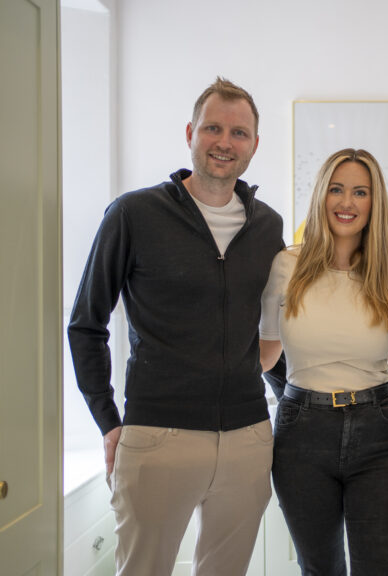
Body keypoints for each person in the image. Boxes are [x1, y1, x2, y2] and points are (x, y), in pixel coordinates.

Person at [67, 77, 284, 576]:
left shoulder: (268, 226)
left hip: (248, 436)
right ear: (190, 132)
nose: (224, 142)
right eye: (213, 128)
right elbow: (86, 323)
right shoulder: (134, 214)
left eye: (239, 132)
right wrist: (108, 419)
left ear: (254, 144)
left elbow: (272, 325)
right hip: (157, 435)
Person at [259, 148, 388, 576]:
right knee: (320, 570)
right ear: (321, 196)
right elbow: (262, 356)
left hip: (378, 432)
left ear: (376, 203)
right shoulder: (286, 266)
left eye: (360, 192)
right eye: (336, 190)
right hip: (301, 435)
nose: (347, 203)